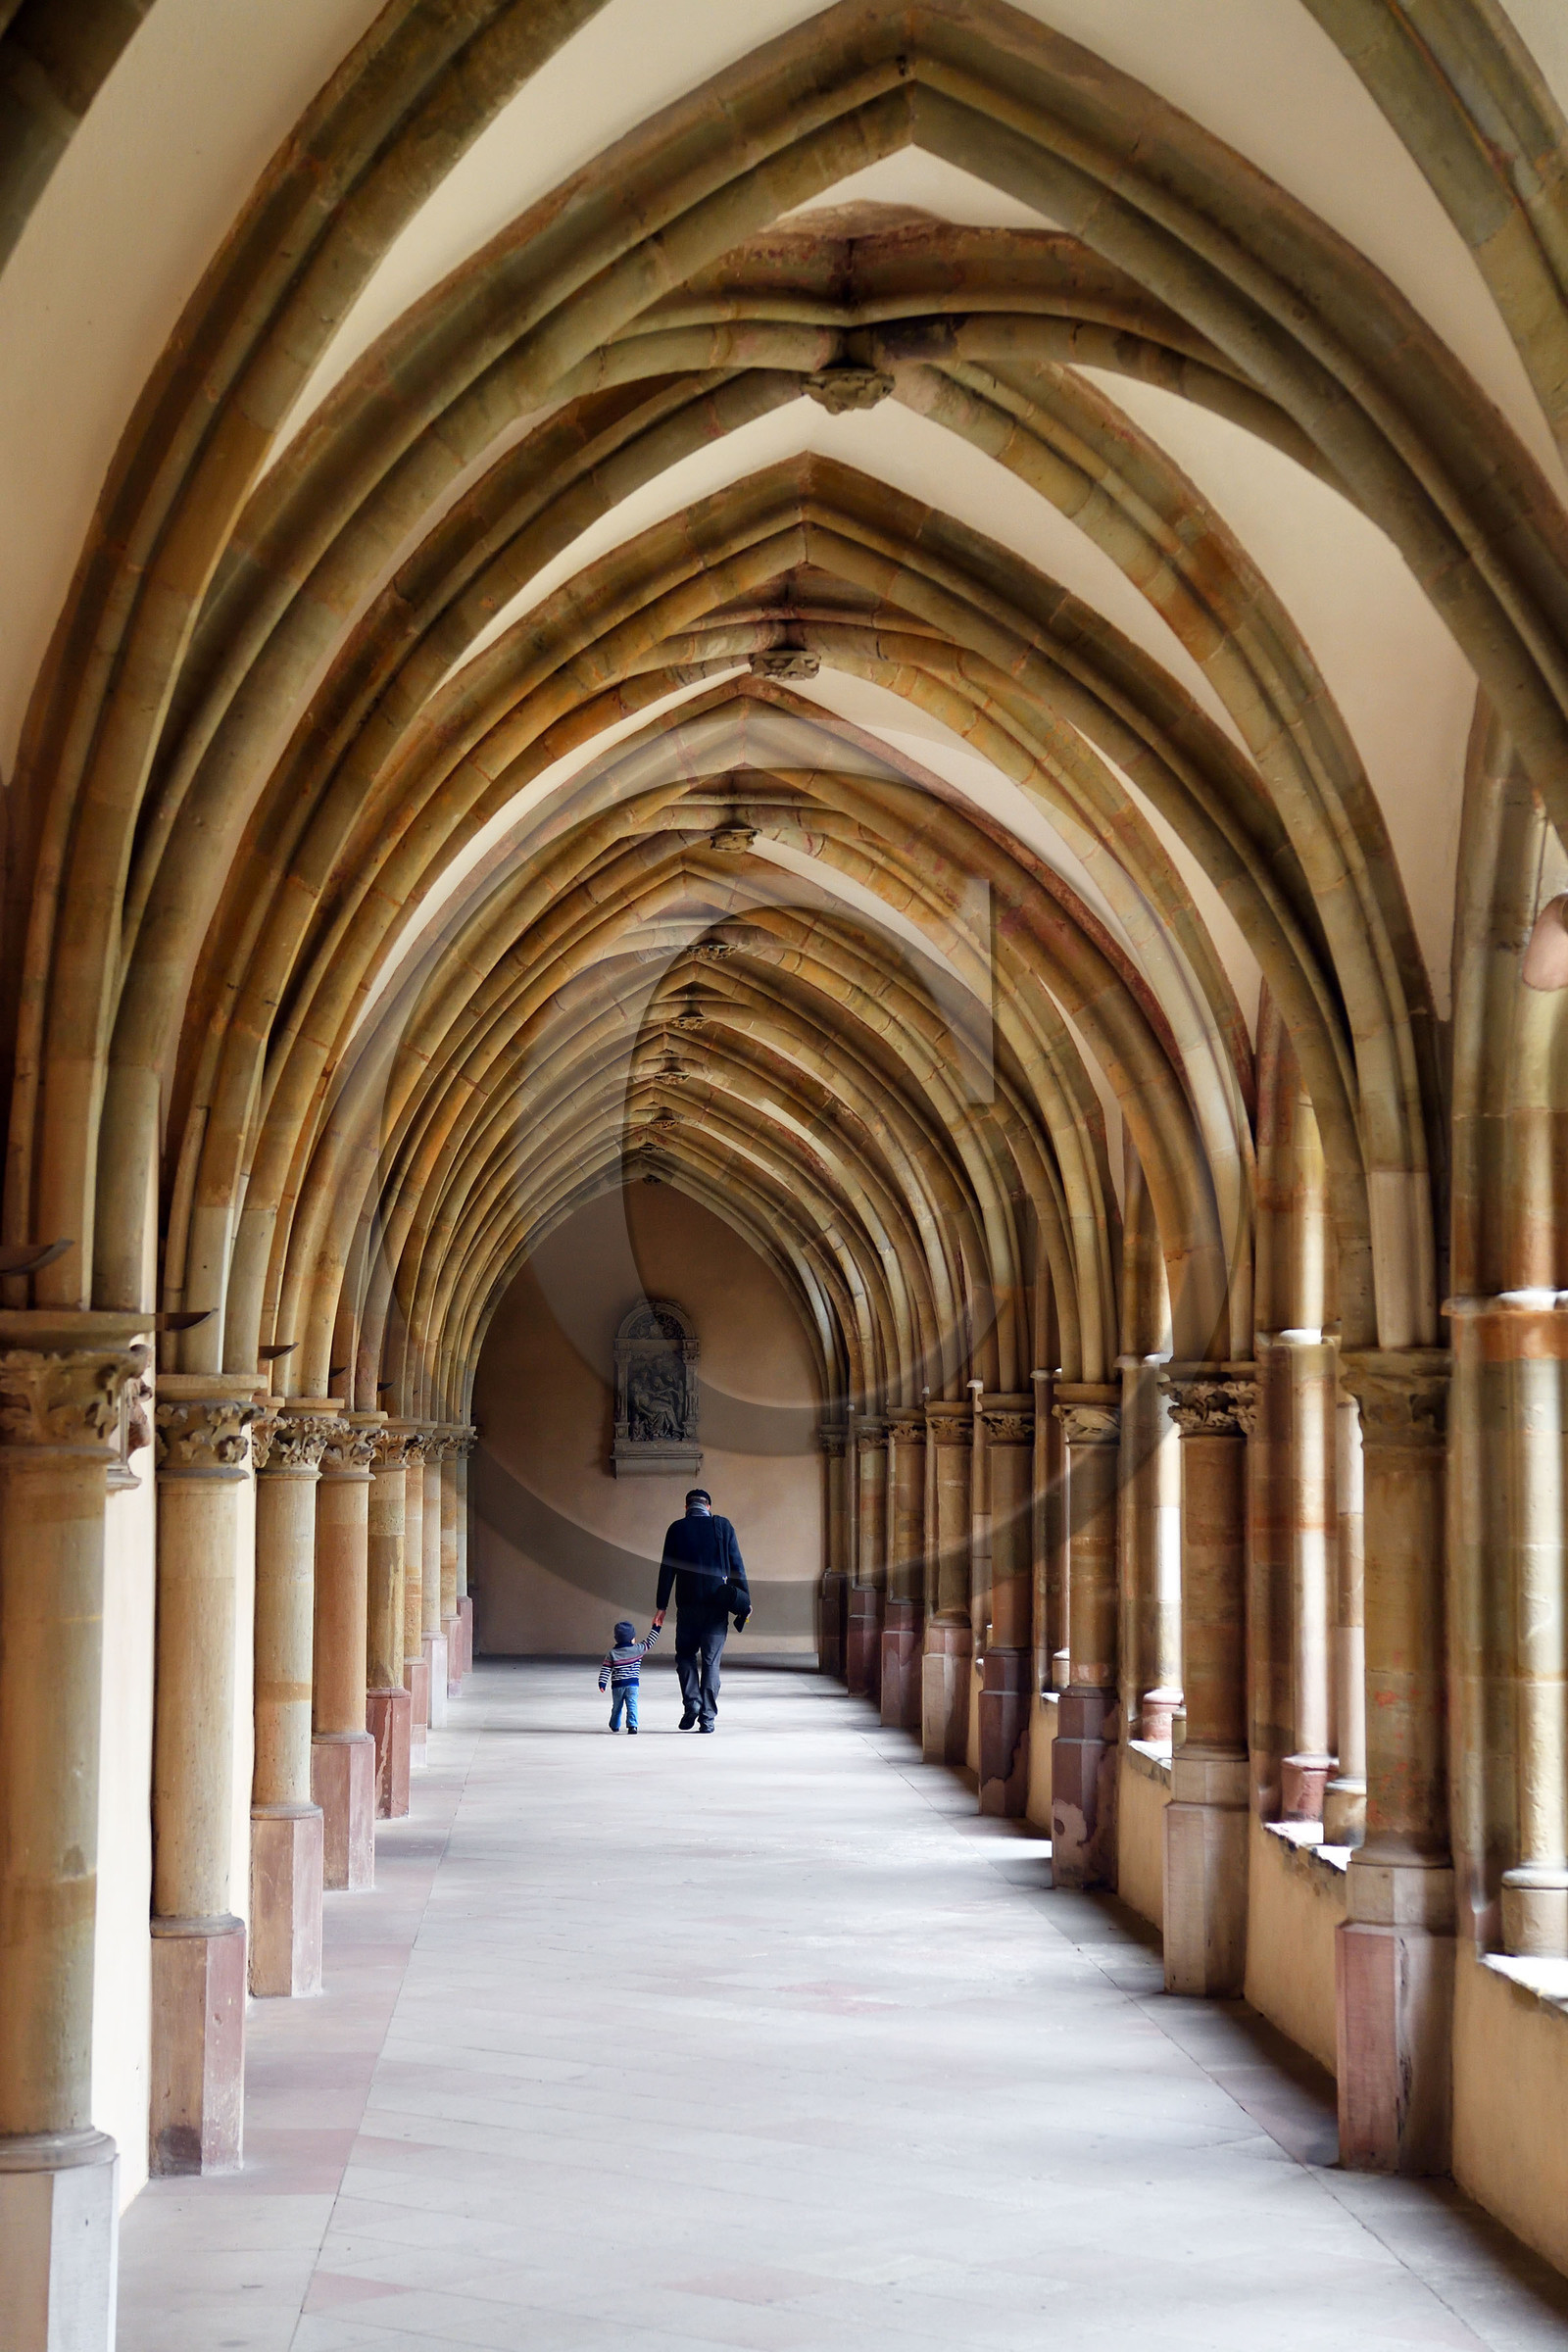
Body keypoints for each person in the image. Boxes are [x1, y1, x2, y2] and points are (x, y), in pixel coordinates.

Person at [652, 1487, 750, 1732]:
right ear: (708, 1507)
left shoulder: (676, 1529)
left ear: (686, 1507)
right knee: (711, 1662)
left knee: (685, 1656)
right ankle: (707, 1718)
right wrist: (744, 1601)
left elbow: (666, 1570)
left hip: (687, 1607)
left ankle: (692, 1703)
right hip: (716, 1607)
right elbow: (737, 1567)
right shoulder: (723, 1527)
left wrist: (661, 1606)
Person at [598, 1616, 660, 1734]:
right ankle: (632, 1726)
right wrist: (656, 1628)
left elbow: (606, 1669)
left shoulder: (612, 1653)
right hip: (632, 1685)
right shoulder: (638, 1649)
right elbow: (650, 1641)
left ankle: (614, 1725)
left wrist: (602, 1682)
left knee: (617, 1706)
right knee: (632, 1705)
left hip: (617, 1686)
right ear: (632, 1639)